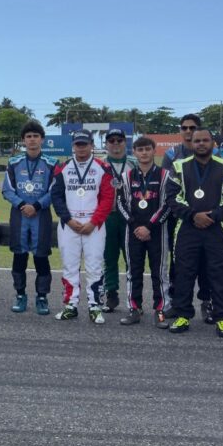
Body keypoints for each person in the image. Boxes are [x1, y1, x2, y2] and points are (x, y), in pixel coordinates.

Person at [165, 129, 223, 337]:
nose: (201, 143)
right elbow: (172, 198)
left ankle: (222, 317)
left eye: (205, 140)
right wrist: (193, 215)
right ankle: (183, 314)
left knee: (219, 274)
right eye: (197, 140)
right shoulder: (178, 166)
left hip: (217, 228)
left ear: (213, 143)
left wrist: (213, 216)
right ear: (191, 143)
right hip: (187, 228)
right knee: (184, 273)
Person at [51, 130, 115, 324]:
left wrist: (94, 222)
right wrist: (68, 220)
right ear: (73, 146)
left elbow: (107, 198)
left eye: (84, 144)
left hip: (93, 225)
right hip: (69, 224)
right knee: (69, 266)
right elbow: (57, 197)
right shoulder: (62, 168)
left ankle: (95, 306)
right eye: (78, 144)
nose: (81, 147)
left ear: (91, 145)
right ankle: (70, 305)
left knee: (95, 265)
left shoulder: (103, 168)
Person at [162, 114, 216, 323]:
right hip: (182, 218)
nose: (188, 131)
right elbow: (169, 188)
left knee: (207, 263)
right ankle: (179, 304)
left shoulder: (213, 151)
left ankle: (207, 302)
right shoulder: (171, 153)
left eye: (192, 127)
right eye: (184, 127)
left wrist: (207, 215)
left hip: (210, 219)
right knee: (180, 264)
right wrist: (191, 214)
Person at [1, 121, 57, 315]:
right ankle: (20, 294)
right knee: (20, 255)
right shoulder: (14, 162)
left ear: (42, 139)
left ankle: (42, 297)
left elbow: (55, 190)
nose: (32, 140)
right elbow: (7, 189)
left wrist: (37, 205)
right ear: (23, 140)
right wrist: (23, 205)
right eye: (28, 136)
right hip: (20, 215)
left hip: (41, 215)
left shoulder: (52, 163)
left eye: (36, 136)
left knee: (41, 256)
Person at [116, 136, 172, 328]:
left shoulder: (165, 175)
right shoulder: (127, 177)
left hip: (156, 231)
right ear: (134, 152)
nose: (144, 153)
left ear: (154, 150)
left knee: (159, 271)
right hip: (133, 231)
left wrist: (149, 226)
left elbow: (167, 205)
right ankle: (134, 307)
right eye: (140, 150)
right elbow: (121, 204)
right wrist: (134, 226)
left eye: (148, 149)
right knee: (133, 270)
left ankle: (161, 308)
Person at [101, 128, 137, 313]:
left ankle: (134, 298)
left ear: (125, 142)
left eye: (119, 140)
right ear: (106, 144)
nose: (115, 144)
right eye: (112, 140)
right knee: (109, 257)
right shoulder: (99, 165)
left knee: (131, 257)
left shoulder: (134, 164)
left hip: (129, 218)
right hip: (108, 216)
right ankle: (111, 294)